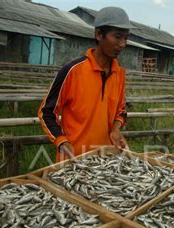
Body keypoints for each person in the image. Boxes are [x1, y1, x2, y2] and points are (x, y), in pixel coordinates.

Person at [38, 7, 134, 161]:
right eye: (117, 37)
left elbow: (121, 111)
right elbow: (46, 112)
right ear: (98, 35)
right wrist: (61, 141)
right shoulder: (72, 71)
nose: (122, 44)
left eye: (126, 38)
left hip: (105, 160)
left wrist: (115, 130)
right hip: (74, 160)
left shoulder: (119, 74)